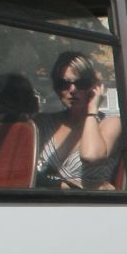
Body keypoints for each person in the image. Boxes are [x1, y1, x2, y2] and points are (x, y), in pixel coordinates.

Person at [34, 50, 120, 189]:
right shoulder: (43, 123)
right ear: (56, 88)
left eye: (81, 83)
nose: (73, 90)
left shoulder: (110, 123)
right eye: (64, 84)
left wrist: (92, 110)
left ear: (93, 86)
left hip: (88, 206)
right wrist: (65, 185)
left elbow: (91, 155)